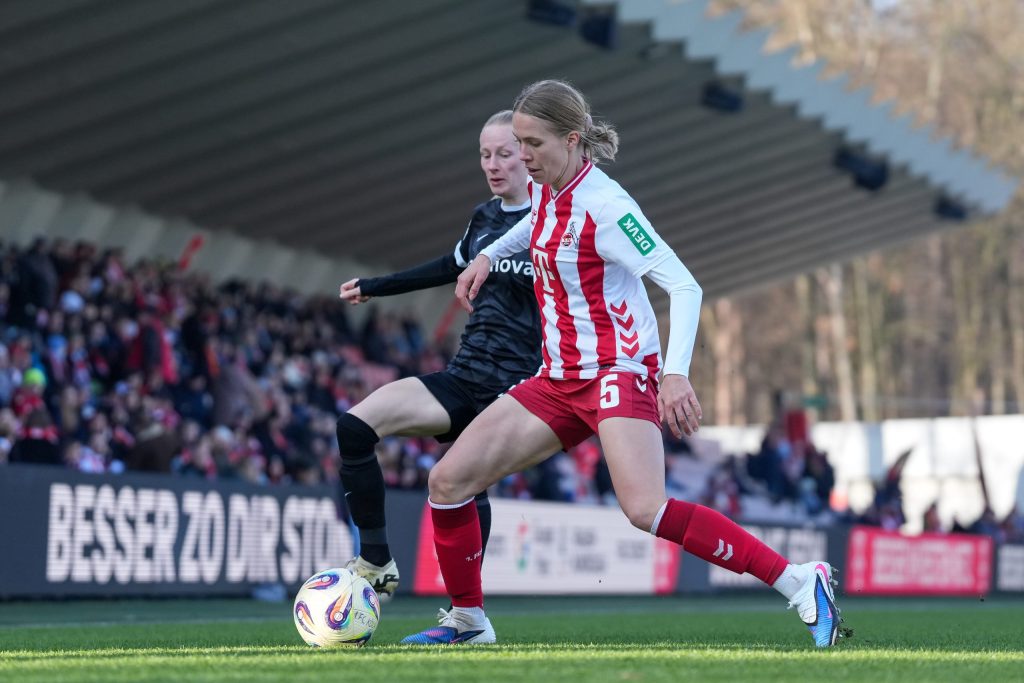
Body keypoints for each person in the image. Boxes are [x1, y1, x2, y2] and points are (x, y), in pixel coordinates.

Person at [401, 80, 842, 648]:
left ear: (572, 139)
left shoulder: (607, 208)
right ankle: (468, 622)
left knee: (645, 509)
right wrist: (488, 254)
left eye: (533, 144)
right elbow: (534, 225)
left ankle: (800, 581)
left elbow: (684, 286)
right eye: (519, 143)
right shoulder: (547, 188)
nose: (522, 156)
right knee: (447, 481)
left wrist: (674, 373)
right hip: (558, 378)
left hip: (618, 371)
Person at [334, 110, 541, 597]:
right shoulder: (485, 217)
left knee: (465, 481)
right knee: (354, 427)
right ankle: (375, 560)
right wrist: (376, 286)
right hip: (466, 375)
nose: (492, 165)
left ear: (529, 155)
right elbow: (449, 265)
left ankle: (467, 610)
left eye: (504, 154)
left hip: (520, 389)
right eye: (485, 155)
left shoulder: (559, 218)